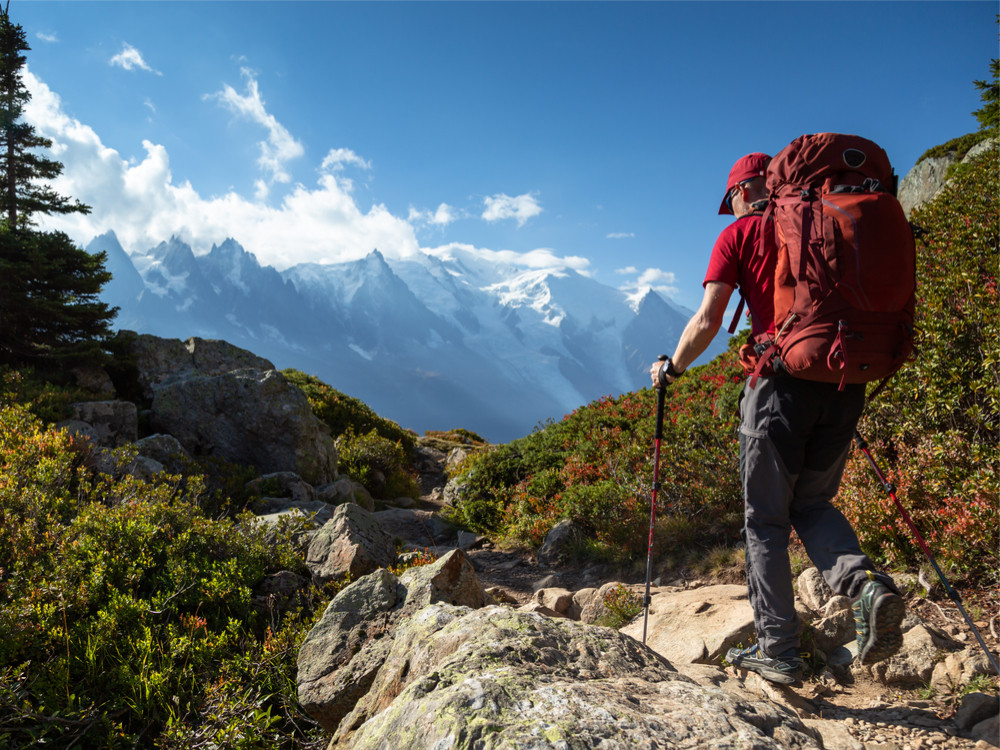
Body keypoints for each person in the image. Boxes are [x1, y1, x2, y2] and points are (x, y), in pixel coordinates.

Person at [649, 152, 904, 685]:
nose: (730, 210)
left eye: (730, 200)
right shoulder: (826, 220)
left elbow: (708, 319)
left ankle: (780, 651)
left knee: (765, 521)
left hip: (780, 387)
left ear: (743, 191)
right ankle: (865, 587)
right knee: (811, 502)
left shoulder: (739, 235)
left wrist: (671, 367)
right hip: (843, 379)